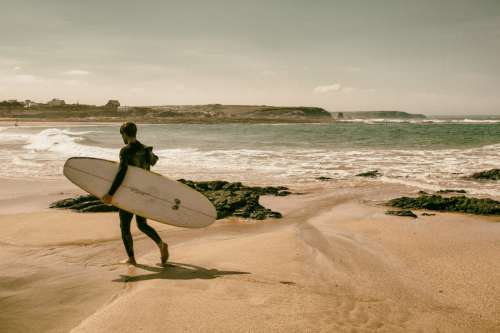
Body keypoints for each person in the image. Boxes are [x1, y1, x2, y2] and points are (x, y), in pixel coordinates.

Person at [102, 122, 169, 265]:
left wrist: (110, 193)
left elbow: (122, 172)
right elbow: (154, 161)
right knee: (142, 224)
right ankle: (161, 244)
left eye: (122, 135)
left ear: (124, 134)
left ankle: (131, 258)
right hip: (144, 192)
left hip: (130, 193)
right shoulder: (145, 149)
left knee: (125, 226)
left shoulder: (125, 151)